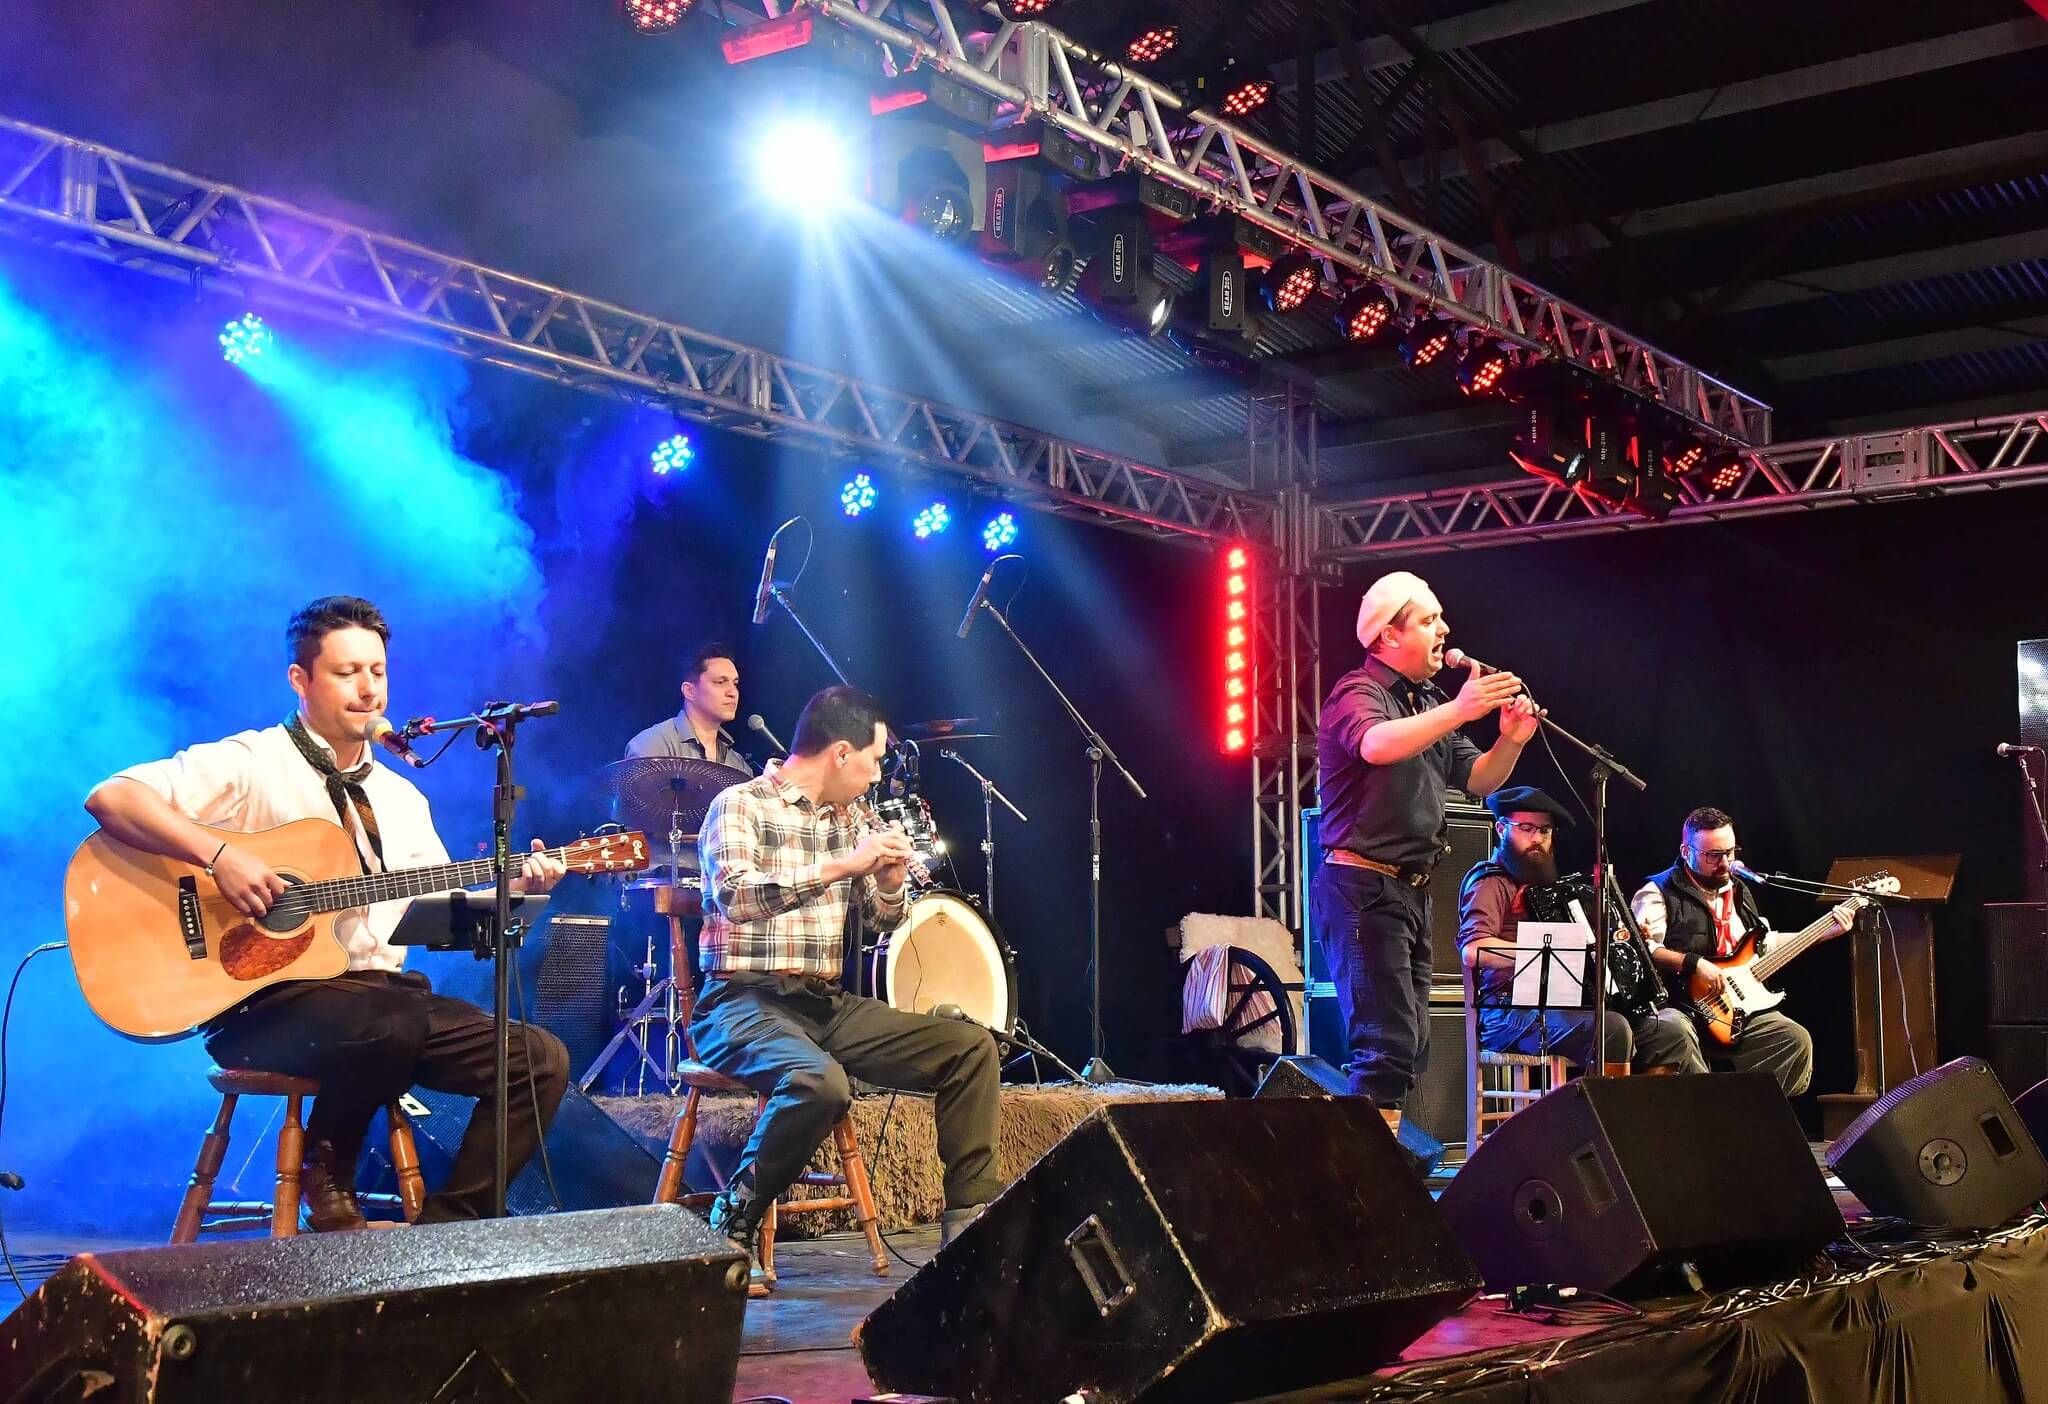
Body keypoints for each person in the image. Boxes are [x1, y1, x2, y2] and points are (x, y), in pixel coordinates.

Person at [82, 596, 570, 1229]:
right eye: (347, 673)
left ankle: (451, 1234)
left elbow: (441, 921)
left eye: (378, 672)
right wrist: (221, 855)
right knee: (390, 1014)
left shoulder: (401, 798)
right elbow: (111, 798)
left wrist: (523, 892)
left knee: (537, 1058)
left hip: (384, 1008)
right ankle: (326, 1161)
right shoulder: (253, 762)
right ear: (300, 680)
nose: (368, 690)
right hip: (263, 1005)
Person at [692, 685, 1000, 1294]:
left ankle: (973, 1228)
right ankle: (733, 1221)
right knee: (818, 1082)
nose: (878, 773)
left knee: (971, 1049)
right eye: (875, 759)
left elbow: (882, 920)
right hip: (740, 1001)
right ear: (839, 753)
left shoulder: (851, 821)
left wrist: (887, 884)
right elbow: (738, 896)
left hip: (821, 1003)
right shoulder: (740, 805)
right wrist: (842, 865)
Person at [1312, 570, 1541, 1121]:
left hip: (1408, 892)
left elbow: (1481, 780)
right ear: (1390, 636)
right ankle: (1366, 1188)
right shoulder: (1357, 693)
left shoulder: (1426, 702)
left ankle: (1384, 1176)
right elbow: (1374, 744)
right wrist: (1459, 711)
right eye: (1428, 619)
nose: (1444, 628)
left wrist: (1510, 739)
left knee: (1411, 1049)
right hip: (1362, 887)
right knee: (1384, 1045)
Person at [1458, 786, 1704, 1072]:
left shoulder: (1548, 887)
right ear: (1501, 828)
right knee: (1611, 1027)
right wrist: (1541, 953)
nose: (1537, 838)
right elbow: (1473, 950)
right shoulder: (1491, 882)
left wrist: (1628, 938)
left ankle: (1657, 1115)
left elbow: (1584, 944)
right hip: (1507, 1013)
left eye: (1545, 830)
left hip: (1561, 1005)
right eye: (1526, 828)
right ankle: (1611, 1116)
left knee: (1671, 1028)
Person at [1631, 806, 1814, 1095]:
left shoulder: (1739, 890)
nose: (1725, 863)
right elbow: (1643, 948)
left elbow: (1763, 945)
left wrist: (1824, 932)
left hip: (1731, 1007)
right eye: (1713, 855)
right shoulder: (1657, 892)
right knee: (1675, 1031)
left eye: (1730, 852)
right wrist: (1694, 963)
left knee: (1792, 1038)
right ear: (1686, 850)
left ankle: (1749, 1119)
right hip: (1678, 1004)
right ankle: (1707, 1120)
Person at [624, 642, 752, 774]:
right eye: (720, 682)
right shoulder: (653, 745)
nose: (732, 692)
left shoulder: (738, 765)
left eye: (735, 684)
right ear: (690, 691)